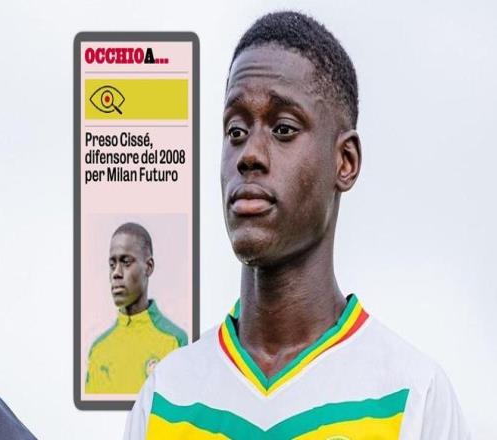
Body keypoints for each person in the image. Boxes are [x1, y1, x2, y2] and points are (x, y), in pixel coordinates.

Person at [124, 12, 470, 438]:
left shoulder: (413, 396)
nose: (249, 155)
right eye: (235, 131)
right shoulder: (166, 398)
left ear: (345, 162)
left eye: (283, 129)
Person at [85, 222, 187, 394]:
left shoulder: (175, 341)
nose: (116, 273)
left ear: (149, 267)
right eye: (112, 264)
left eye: (126, 262)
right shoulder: (98, 350)